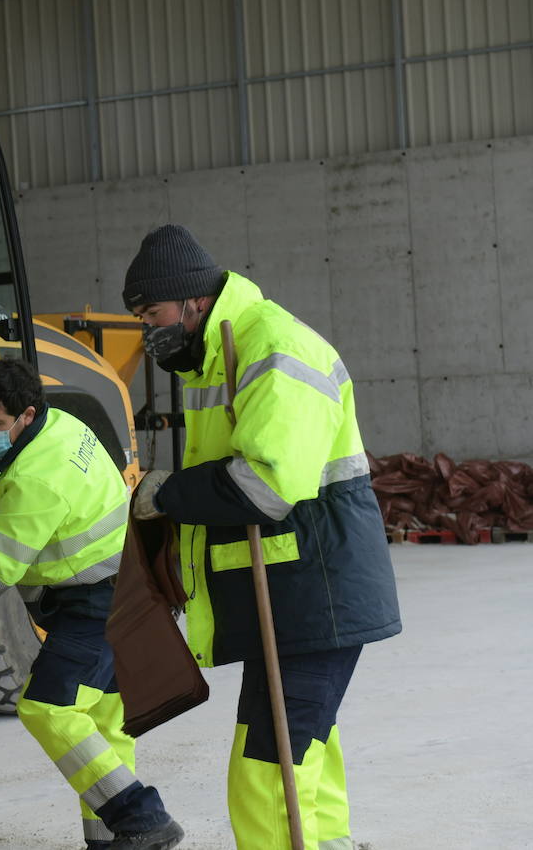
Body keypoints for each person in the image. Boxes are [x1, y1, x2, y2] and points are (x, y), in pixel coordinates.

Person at [123, 224, 401, 850]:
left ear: (192, 299)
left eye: (152, 312)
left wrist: (164, 493)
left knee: (266, 767)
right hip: (288, 592)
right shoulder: (219, 355)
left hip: (315, 592)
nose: (147, 328)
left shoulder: (272, 346)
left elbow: (264, 487)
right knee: (305, 748)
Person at [0, 359, 183, 850]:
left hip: (98, 602)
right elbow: (22, 458)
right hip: (132, 586)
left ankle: (145, 819)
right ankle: (108, 841)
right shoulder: (63, 423)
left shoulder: (34, 484)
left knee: (47, 708)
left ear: (25, 413)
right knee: (106, 723)